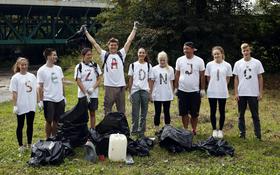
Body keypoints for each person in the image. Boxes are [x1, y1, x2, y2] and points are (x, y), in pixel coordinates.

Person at [84, 21, 139, 116]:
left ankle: (121, 129)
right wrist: (86, 32)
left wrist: (134, 28)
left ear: (117, 46)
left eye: (115, 45)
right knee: (107, 110)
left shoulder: (121, 54)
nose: (113, 46)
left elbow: (129, 41)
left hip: (121, 87)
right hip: (109, 86)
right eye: (111, 45)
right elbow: (94, 43)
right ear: (108, 46)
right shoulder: (104, 55)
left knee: (121, 111)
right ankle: (108, 129)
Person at [233, 43, 264, 140]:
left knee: (255, 115)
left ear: (250, 50)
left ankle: (257, 135)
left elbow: (260, 77)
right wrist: (236, 92)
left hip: (253, 93)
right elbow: (236, 78)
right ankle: (242, 134)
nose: (245, 52)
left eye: (247, 50)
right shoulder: (238, 63)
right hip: (241, 93)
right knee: (241, 114)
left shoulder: (257, 62)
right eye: (243, 50)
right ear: (241, 52)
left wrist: (260, 92)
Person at [174, 42, 205, 135]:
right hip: (182, 91)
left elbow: (202, 76)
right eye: (184, 49)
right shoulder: (180, 60)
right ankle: (185, 129)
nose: (185, 51)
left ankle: (194, 130)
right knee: (183, 113)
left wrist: (203, 89)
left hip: (194, 91)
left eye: (187, 49)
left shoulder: (199, 61)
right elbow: (177, 74)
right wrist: (176, 87)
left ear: (192, 49)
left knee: (194, 113)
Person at [9, 57, 37, 153]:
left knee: (30, 125)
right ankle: (20, 145)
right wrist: (15, 105)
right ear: (18, 66)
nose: (24, 66)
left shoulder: (32, 76)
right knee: (20, 125)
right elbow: (14, 93)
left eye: (25, 64)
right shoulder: (15, 77)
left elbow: (36, 89)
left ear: (27, 65)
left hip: (31, 104)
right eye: (22, 65)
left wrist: (38, 101)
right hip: (21, 105)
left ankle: (29, 144)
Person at [37, 48, 66, 139]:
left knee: (57, 120)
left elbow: (62, 83)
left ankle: (55, 137)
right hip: (48, 99)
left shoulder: (58, 68)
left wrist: (64, 97)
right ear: (48, 56)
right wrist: (40, 101)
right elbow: (40, 87)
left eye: (56, 55)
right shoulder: (41, 70)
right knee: (49, 120)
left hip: (59, 98)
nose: (55, 57)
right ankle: (48, 138)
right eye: (54, 55)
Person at [205, 46, 232, 138]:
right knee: (212, 111)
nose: (216, 55)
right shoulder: (209, 65)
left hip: (222, 91)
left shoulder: (227, 65)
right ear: (213, 55)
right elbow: (208, 78)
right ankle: (214, 130)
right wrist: (213, 85)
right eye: (215, 54)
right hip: (212, 91)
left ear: (222, 54)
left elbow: (228, 78)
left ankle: (220, 130)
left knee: (222, 111)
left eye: (218, 54)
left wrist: (222, 85)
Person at [127, 48, 153, 138]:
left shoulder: (149, 66)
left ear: (145, 54)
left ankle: (141, 131)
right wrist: (129, 92)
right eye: (140, 52)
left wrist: (150, 92)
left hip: (145, 90)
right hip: (135, 90)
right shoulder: (133, 65)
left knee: (144, 112)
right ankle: (134, 131)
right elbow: (130, 79)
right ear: (137, 54)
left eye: (143, 53)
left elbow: (150, 79)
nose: (141, 54)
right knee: (135, 111)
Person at [74, 48, 102, 129]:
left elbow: (99, 78)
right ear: (83, 56)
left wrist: (93, 88)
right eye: (88, 55)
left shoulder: (95, 65)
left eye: (91, 54)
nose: (90, 56)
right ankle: (83, 132)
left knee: (92, 113)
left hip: (93, 94)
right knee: (83, 115)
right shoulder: (79, 66)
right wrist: (85, 93)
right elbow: (78, 80)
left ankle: (92, 130)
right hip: (82, 95)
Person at [150, 51, 174, 134]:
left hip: (167, 94)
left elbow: (171, 82)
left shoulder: (170, 69)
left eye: (164, 60)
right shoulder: (154, 69)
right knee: (157, 112)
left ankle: (167, 128)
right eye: (161, 60)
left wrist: (172, 93)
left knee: (167, 111)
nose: (162, 62)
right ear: (158, 60)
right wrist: (151, 94)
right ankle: (157, 129)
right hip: (157, 94)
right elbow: (152, 82)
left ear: (166, 60)